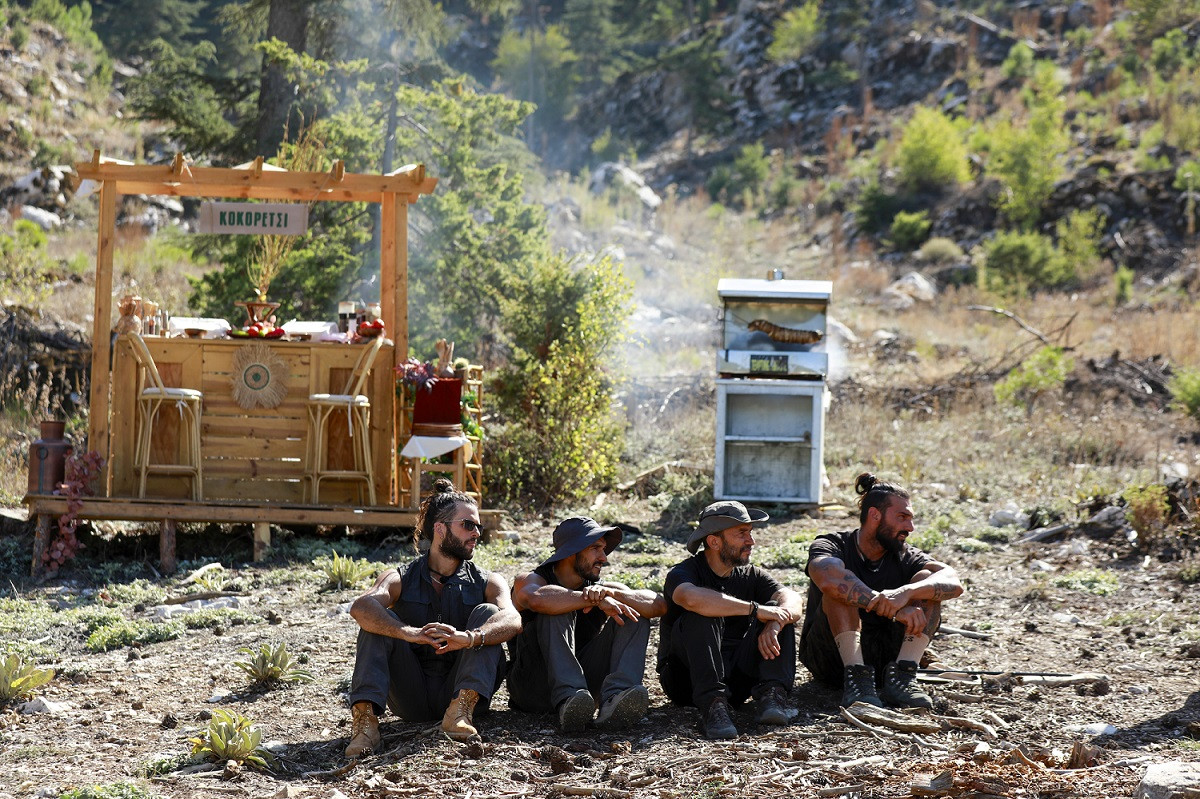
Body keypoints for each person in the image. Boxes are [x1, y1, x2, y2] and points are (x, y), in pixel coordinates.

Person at [344, 480, 521, 756]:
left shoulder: (488, 580)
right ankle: (365, 725)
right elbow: (361, 607)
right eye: (468, 525)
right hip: (411, 696)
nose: (476, 534)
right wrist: (408, 632)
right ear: (440, 529)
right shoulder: (400, 577)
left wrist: (468, 638)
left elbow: (513, 619)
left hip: (464, 693)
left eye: (478, 527)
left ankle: (458, 714)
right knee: (376, 621)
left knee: (489, 614)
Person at [799, 472, 965, 709]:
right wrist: (891, 608)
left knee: (928, 582)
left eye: (910, 518)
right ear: (875, 515)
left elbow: (953, 582)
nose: (910, 527)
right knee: (842, 588)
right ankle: (856, 679)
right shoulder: (833, 544)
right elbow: (827, 578)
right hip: (830, 660)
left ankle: (903, 678)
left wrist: (907, 592)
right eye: (902, 517)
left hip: (886, 661)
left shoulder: (906, 555)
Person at [657, 501, 804, 740]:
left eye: (750, 532)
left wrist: (775, 622)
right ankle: (712, 706)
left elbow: (793, 599)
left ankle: (773, 697)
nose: (751, 541)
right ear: (714, 541)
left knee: (779, 611)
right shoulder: (684, 573)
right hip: (686, 681)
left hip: (735, 680)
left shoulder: (751, 575)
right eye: (741, 534)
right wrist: (755, 610)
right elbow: (691, 598)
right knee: (702, 613)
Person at [507, 517, 666, 731]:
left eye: (604, 549)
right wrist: (592, 599)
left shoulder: (601, 589)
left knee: (631, 611)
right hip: (532, 688)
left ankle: (616, 699)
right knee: (556, 606)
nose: (604, 557)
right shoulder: (531, 579)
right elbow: (534, 598)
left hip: (584, 695)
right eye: (596, 548)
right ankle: (569, 696)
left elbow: (658, 605)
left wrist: (611, 594)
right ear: (571, 551)